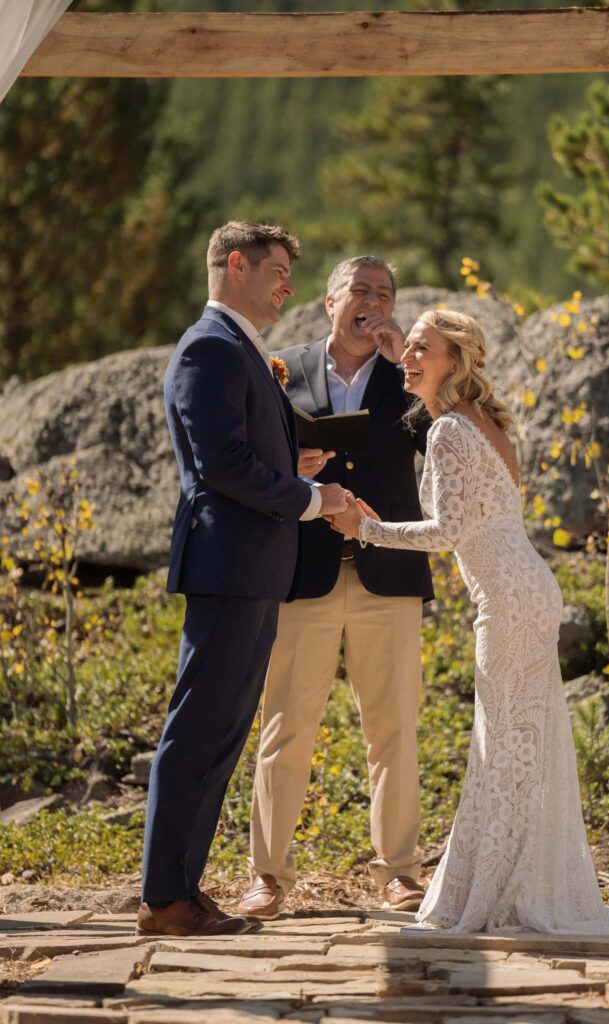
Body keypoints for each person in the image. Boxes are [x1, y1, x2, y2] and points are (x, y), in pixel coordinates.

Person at [328, 308, 609, 936]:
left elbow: (447, 533)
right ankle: (515, 885)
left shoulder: (448, 434)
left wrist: (367, 529)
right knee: (520, 746)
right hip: (525, 590)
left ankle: (499, 893)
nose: (408, 357)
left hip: (509, 602)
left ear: (455, 360)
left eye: (422, 349)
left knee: (505, 747)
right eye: (406, 348)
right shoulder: (480, 422)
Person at [137, 221, 349, 937]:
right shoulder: (209, 347)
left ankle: (182, 890)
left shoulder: (238, 350)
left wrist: (290, 469)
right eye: (278, 270)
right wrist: (311, 499)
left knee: (222, 732)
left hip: (253, 567)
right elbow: (220, 466)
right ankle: (164, 899)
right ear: (235, 264)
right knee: (197, 731)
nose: (288, 285)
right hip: (228, 565)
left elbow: (238, 455)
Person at [237, 256, 434, 920]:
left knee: (394, 728)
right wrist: (288, 467)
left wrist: (407, 356)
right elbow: (249, 462)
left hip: (391, 574)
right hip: (303, 573)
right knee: (285, 728)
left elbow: (446, 444)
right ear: (329, 301)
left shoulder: (412, 377)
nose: (372, 301)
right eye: (361, 290)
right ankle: (267, 876)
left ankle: (399, 872)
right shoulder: (281, 368)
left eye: (384, 292)